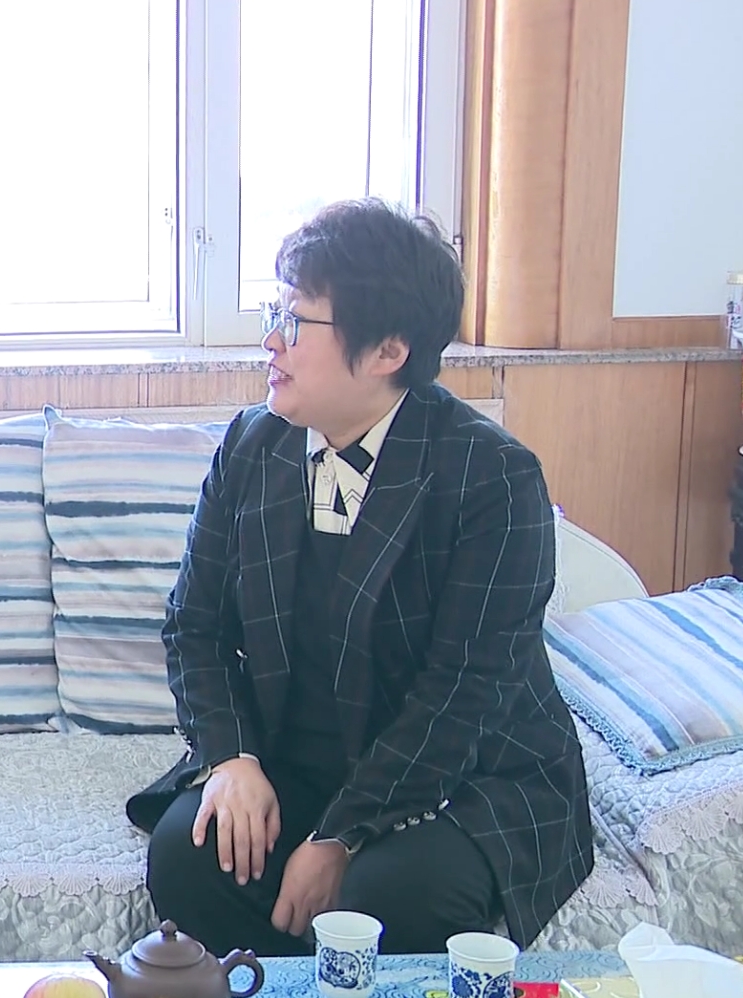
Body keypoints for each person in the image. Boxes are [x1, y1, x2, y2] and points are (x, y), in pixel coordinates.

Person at [128, 199, 593, 957]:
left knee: (383, 897)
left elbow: (461, 696)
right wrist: (232, 759)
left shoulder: (493, 478)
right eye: (273, 313)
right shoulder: (252, 445)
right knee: (191, 852)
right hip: (295, 757)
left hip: (463, 774)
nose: (270, 342)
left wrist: (340, 835)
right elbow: (194, 627)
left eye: (295, 321)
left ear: (387, 351)